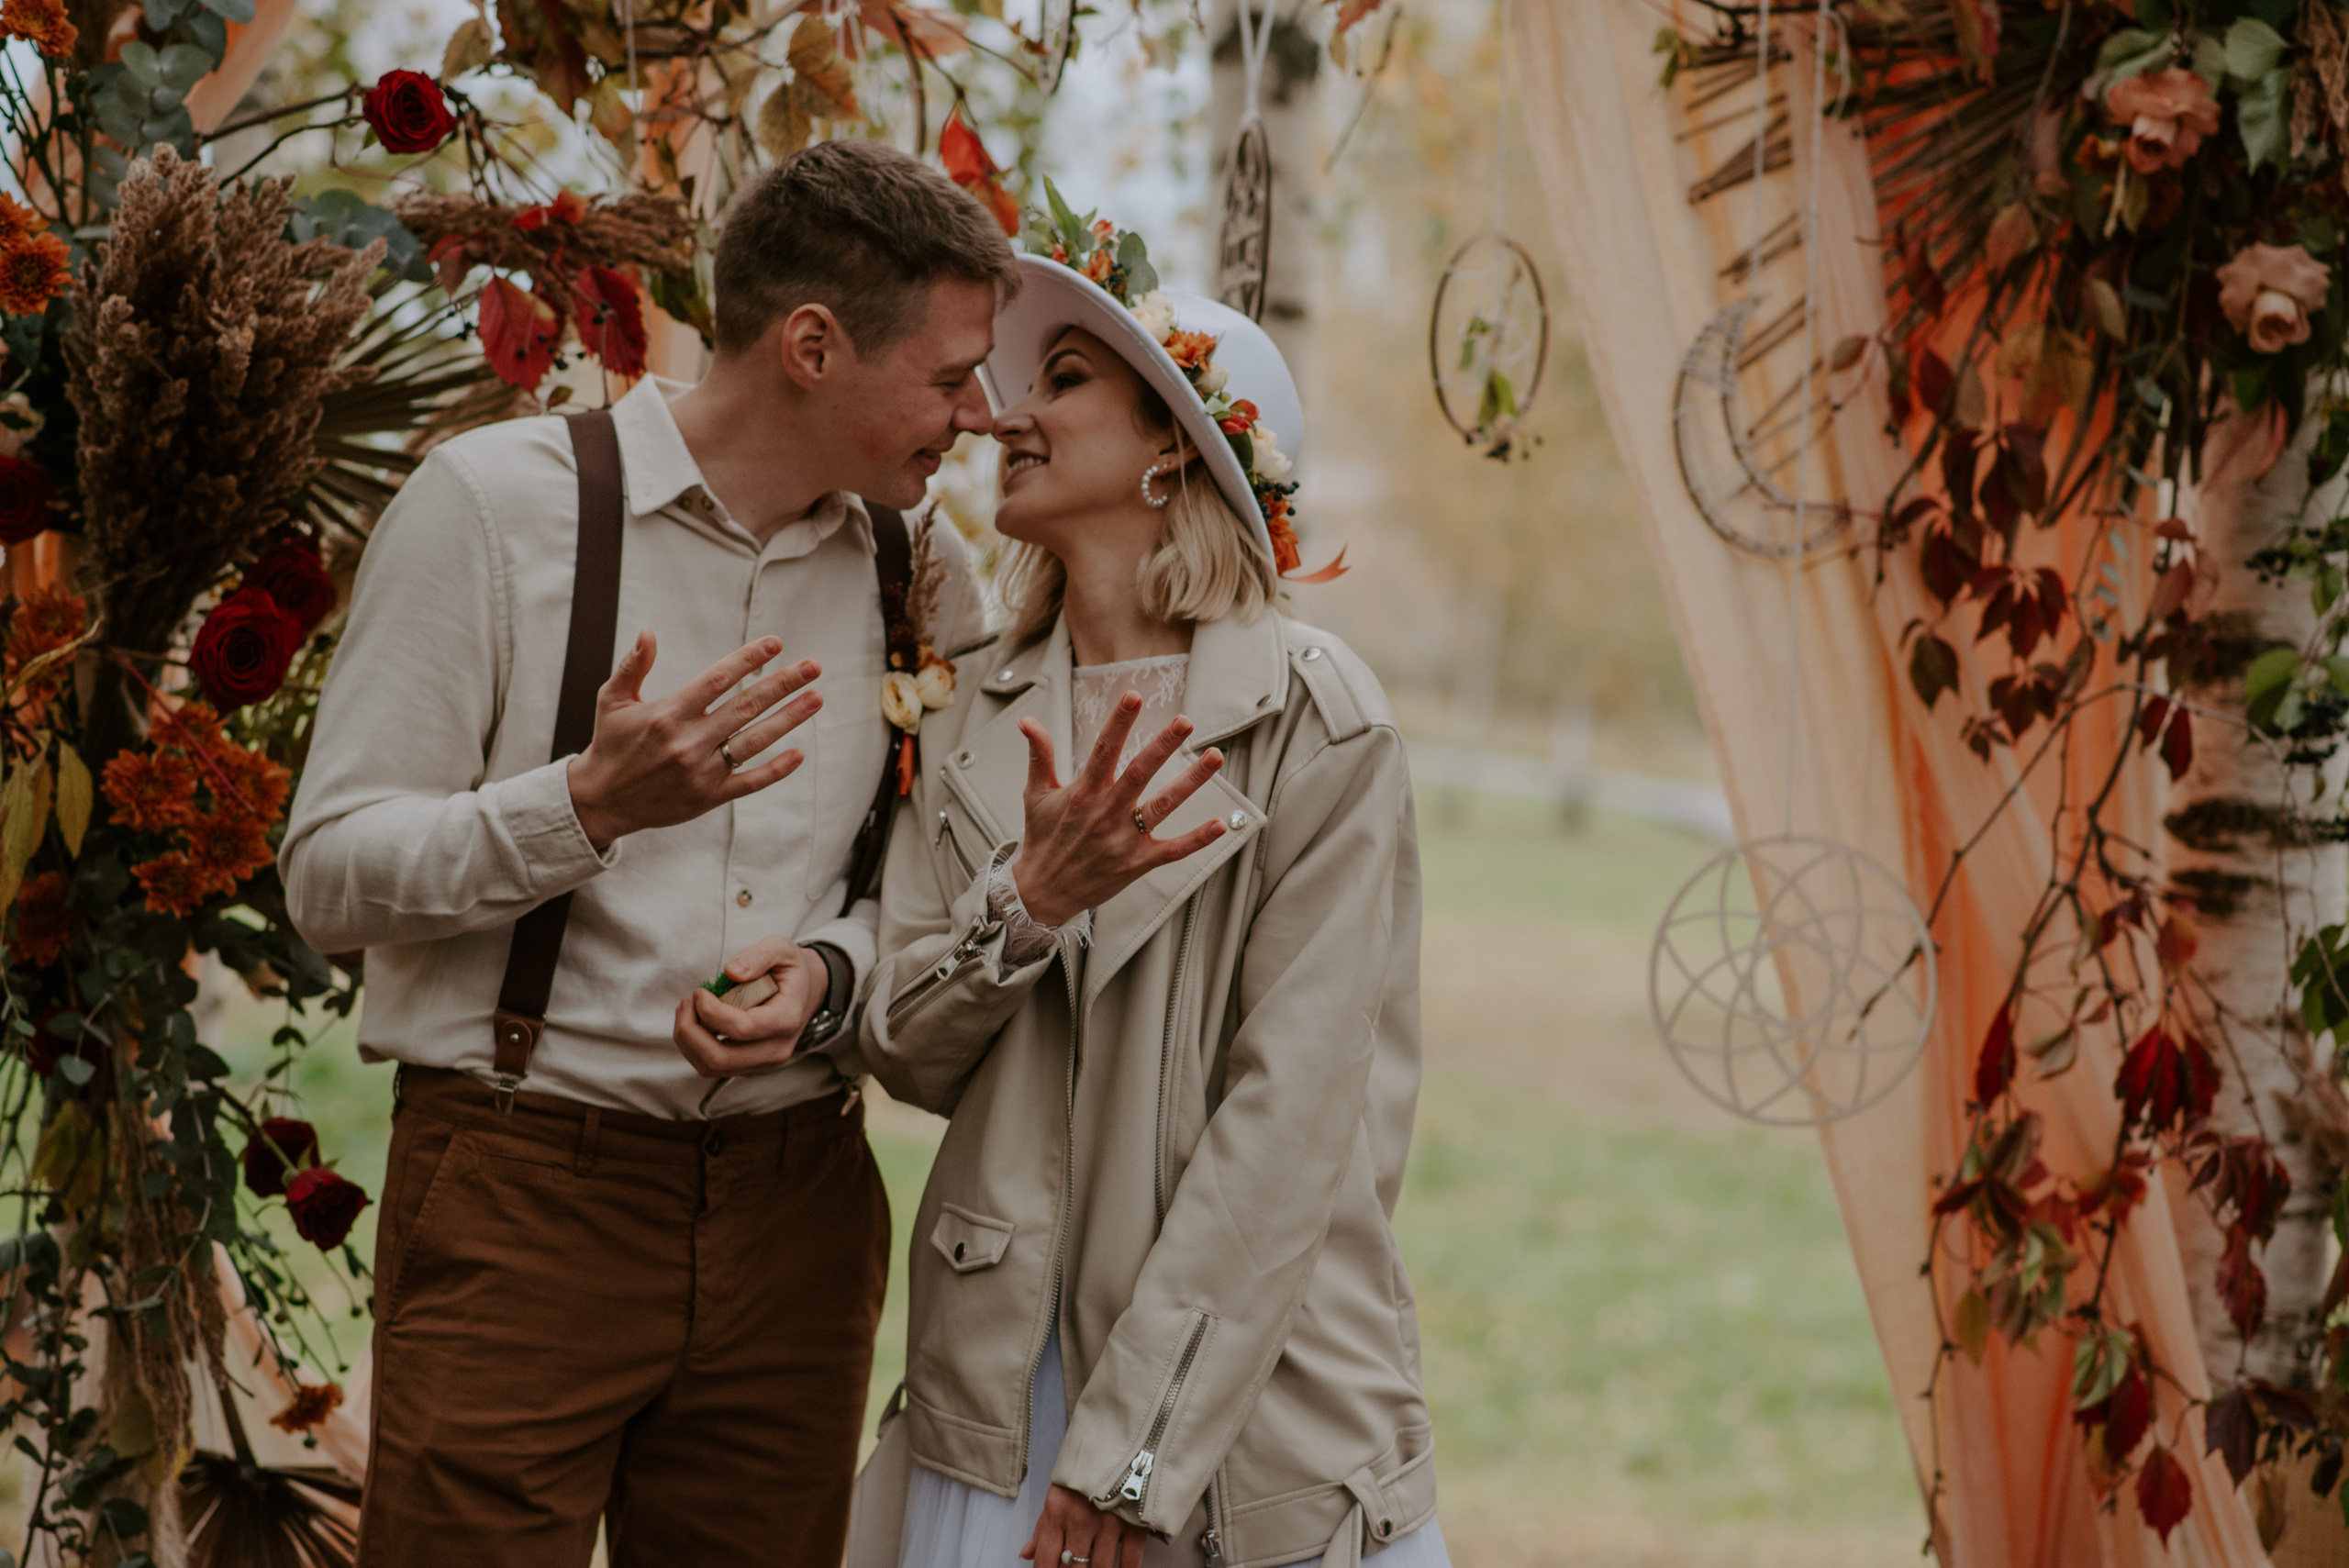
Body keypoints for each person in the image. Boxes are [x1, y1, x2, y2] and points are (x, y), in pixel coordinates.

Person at [280, 139, 1011, 1566]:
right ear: (811, 345)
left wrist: (831, 968)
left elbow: (925, 878)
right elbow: (328, 873)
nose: (978, 415)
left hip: (800, 1204)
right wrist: (585, 806)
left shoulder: (918, 568)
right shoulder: (491, 509)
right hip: (519, 1190)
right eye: (947, 376)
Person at [841, 212, 1447, 1568]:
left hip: (1240, 1389)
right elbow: (901, 1046)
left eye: (1060, 380)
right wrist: (1030, 904)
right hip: (1001, 1395)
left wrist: (1138, 1448)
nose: (1006, 417)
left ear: (1177, 440)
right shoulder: (967, 711)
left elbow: (1290, 1116)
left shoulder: (1313, 717)